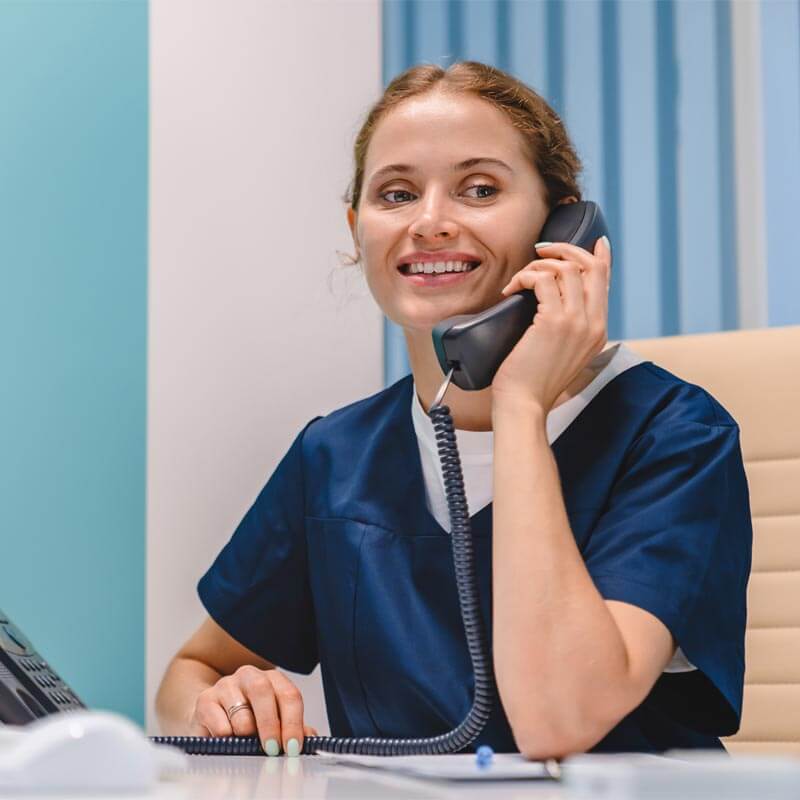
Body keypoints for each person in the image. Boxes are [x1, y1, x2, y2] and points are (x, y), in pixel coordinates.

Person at [155, 61, 752, 760]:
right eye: (398, 194)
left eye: (479, 188)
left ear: (562, 224)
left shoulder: (673, 436)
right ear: (358, 230)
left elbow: (559, 721)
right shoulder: (336, 456)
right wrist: (221, 706)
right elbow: (191, 672)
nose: (431, 223)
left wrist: (520, 406)